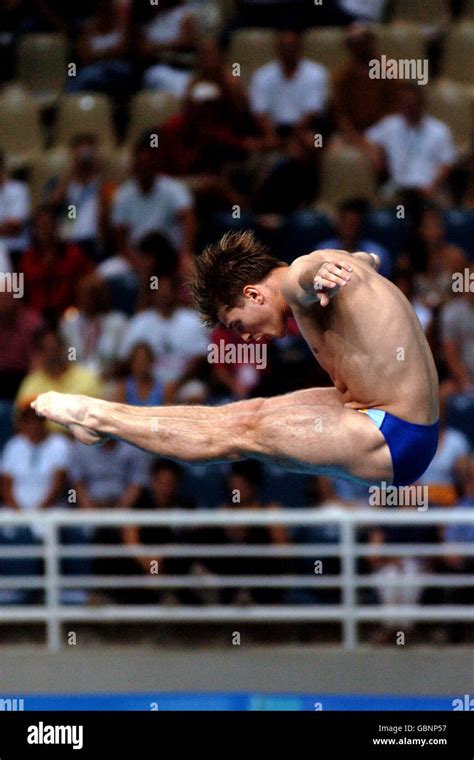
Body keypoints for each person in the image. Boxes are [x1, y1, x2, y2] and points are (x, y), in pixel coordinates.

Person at [32, 230, 439, 491]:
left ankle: (100, 420)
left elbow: (302, 277)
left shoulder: (303, 275)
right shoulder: (343, 263)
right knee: (248, 412)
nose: (246, 337)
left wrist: (316, 273)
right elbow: (366, 261)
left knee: (240, 432)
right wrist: (352, 263)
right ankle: (102, 420)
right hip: (385, 415)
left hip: (394, 436)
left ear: (255, 294)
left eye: (238, 323)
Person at [364, 84, 456, 206]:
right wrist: (376, 152)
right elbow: (366, 139)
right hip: (399, 189)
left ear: (422, 104)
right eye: (404, 103)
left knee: (431, 215)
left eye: (412, 104)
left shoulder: (439, 130)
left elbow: (447, 163)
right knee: (395, 213)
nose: (409, 108)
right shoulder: (390, 125)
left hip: (429, 189)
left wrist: (433, 185)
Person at [249, 30, 328, 144]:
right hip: (274, 129)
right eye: (284, 46)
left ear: (300, 47)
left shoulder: (317, 73)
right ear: (277, 48)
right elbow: (259, 111)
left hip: (307, 128)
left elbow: (313, 111)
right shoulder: (261, 75)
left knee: (316, 142)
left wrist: (294, 136)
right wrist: (272, 134)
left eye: (291, 46)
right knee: (253, 142)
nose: (288, 50)